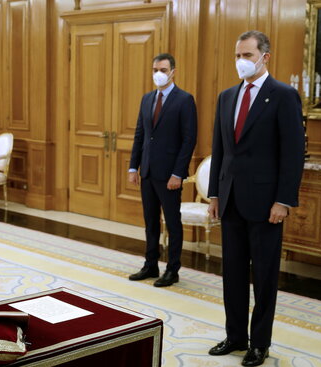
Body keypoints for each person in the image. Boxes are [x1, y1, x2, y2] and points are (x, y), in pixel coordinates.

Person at [207, 31, 305, 366]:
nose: (241, 62)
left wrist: (284, 200)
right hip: (231, 199)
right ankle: (235, 335)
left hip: (266, 205)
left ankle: (259, 343)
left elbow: (293, 154)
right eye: (238, 55)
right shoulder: (226, 96)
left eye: (247, 55)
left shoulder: (283, 96)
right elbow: (220, 149)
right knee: (232, 274)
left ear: (265, 57)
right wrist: (215, 194)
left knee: (264, 276)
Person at [128, 53, 198, 287]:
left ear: (173, 72)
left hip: (170, 175)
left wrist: (178, 173)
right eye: (155, 69)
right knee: (150, 222)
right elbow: (140, 135)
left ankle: (172, 269)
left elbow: (189, 140)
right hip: (147, 171)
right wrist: (132, 166)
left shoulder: (184, 99)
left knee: (172, 222)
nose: (158, 73)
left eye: (163, 69)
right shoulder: (147, 99)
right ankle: (150, 265)